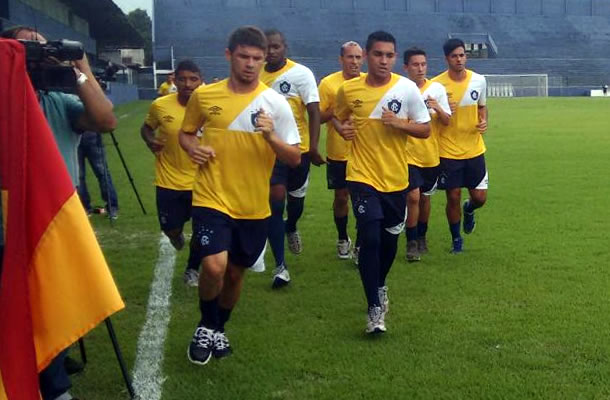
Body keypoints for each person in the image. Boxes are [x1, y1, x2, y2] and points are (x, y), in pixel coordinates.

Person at [1, 26, 117, 400]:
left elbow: (104, 118)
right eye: (27, 47)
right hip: (7, 226)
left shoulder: (57, 101)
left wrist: (77, 63)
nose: (38, 53)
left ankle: (51, 376)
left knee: (52, 303)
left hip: (53, 223)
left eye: (43, 46)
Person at [179, 26, 300, 365]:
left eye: (257, 59)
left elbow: (294, 156)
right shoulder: (205, 96)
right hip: (211, 196)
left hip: (253, 205)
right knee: (215, 267)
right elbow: (186, 134)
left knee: (235, 274)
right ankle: (205, 325)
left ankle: (219, 327)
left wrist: (271, 136)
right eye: (244, 57)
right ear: (229, 55)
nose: (250, 64)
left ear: (265, 60)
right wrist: (193, 148)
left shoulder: (275, 104)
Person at [334, 31, 430, 334]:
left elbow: (426, 129)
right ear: (366, 55)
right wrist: (343, 129)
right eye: (378, 54)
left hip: (396, 179)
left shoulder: (406, 89)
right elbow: (337, 117)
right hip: (361, 176)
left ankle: (380, 284)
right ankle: (374, 306)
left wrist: (399, 123)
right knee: (371, 238)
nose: (384, 60)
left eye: (389, 55)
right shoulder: (349, 90)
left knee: (389, 242)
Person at [259, 29, 322, 288]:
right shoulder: (256, 76)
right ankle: (280, 266)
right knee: (276, 201)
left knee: (295, 204)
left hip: (299, 149)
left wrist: (314, 147)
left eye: (275, 46)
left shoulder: (301, 74)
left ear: (284, 47)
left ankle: (292, 226)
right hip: (270, 152)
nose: (271, 52)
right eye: (267, 48)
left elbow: (314, 112)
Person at [141, 60, 204, 287]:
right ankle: (175, 235)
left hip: (203, 182)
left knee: (201, 230)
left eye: (193, 79)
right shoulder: (160, 105)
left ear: (201, 80)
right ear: (174, 80)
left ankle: (192, 269)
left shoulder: (211, 106)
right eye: (183, 79)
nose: (188, 84)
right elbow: (146, 127)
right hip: (168, 181)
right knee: (171, 229)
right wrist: (150, 141)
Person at [433, 38, 488, 253]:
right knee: (453, 195)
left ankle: (470, 209)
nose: (459, 59)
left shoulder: (479, 80)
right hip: (448, 149)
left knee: (479, 198)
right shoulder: (437, 85)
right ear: (447, 58)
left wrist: (484, 120)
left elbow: (482, 107)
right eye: (455, 56)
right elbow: (429, 116)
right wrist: (442, 110)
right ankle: (456, 239)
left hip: (474, 148)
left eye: (462, 55)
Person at [403, 47, 451, 261]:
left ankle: (422, 236)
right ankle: (411, 242)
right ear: (406, 67)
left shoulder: (437, 89)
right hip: (407, 154)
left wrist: (438, 107)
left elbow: (447, 120)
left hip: (431, 154)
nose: (420, 68)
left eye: (423, 64)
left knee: (424, 199)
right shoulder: (401, 89)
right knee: (412, 197)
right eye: (415, 64)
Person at [318, 41, 364, 260]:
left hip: (364, 152)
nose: (354, 62)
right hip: (338, 151)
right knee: (341, 197)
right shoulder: (328, 84)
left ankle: (361, 244)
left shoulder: (368, 83)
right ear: (341, 59)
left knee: (364, 199)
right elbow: (318, 117)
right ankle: (343, 237)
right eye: (350, 57)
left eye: (357, 57)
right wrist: (337, 108)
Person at [77, 131, 119, 219]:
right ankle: (112, 207)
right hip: (89, 136)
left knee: (81, 176)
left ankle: (85, 207)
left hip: (79, 136)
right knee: (101, 173)